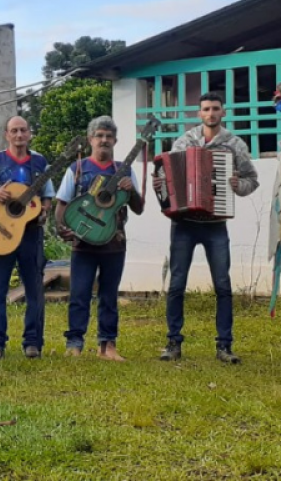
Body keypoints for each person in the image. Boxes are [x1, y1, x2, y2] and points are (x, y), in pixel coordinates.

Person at [155, 92, 259, 363]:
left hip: (216, 224)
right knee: (177, 284)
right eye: (205, 109)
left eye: (215, 108)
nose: (210, 113)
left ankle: (224, 345)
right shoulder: (184, 141)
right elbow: (166, 175)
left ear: (222, 112)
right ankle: (173, 343)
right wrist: (162, 188)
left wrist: (238, 186)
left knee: (223, 285)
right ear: (199, 113)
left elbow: (251, 180)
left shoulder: (234, 144)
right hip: (184, 224)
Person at [55, 116, 144, 361]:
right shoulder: (77, 169)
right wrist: (62, 228)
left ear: (115, 140)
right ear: (90, 139)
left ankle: (107, 346)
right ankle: (74, 343)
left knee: (109, 295)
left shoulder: (124, 170)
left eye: (108, 136)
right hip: (83, 242)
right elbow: (62, 203)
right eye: (99, 135)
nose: (103, 140)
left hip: (114, 242)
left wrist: (131, 190)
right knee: (79, 294)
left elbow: (138, 207)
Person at [0, 116, 53, 360]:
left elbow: (48, 195)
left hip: (31, 234)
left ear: (30, 134)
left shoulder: (40, 162)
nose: (19, 135)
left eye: (23, 130)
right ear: (6, 135)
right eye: (14, 131)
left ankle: (32, 343)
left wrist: (45, 209)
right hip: (1, 233)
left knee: (34, 290)